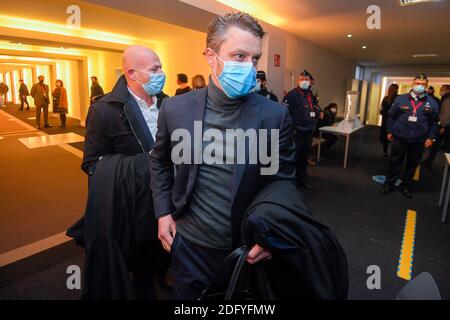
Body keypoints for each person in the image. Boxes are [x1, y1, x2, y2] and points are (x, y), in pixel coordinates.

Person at [150, 12, 297, 300]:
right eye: (239, 56)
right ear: (210, 55)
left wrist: (271, 235)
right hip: (189, 245)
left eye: (254, 59)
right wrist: (162, 212)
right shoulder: (175, 109)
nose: (249, 67)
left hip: (246, 248)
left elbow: (282, 182)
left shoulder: (274, 115)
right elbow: (160, 161)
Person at [72, 45, 170, 299]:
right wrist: (142, 163)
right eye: (155, 69)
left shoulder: (169, 104)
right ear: (132, 74)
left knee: (165, 251)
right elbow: (92, 164)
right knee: (141, 268)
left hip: (168, 197)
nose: (162, 73)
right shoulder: (103, 110)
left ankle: (162, 270)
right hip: (134, 205)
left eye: (161, 67)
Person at [380, 74, 439, 198]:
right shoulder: (400, 99)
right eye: (417, 83)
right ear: (413, 84)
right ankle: (389, 183)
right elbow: (391, 117)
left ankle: (406, 185)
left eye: (423, 84)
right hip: (400, 137)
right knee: (395, 161)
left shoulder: (433, 104)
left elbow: (434, 123)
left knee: (412, 164)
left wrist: (430, 137)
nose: (420, 86)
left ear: (427, 86)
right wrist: (389, 131)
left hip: (419, 140)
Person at [283, 70, 322, 189]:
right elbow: (285, 113)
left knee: (304, 158)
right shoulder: (292, 94)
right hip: (296, 133)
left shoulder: (311, 96)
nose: (303, 82)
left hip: (308, 132)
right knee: (293, 158)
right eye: (301, 79)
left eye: (306, 79)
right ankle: (289, 182)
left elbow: (315, 110)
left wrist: (318, 113)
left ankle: (301, 180)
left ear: (311, 82)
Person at [379, 83, 399, 159]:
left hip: (385, 121)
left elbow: (381, 110)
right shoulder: (398, 99)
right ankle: (393, 153)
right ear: (396, 90)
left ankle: (385, 152)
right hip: (394, 121)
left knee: (385, 137)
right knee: (395, 138)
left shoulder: (385, 98)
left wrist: (384, 114)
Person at [436, 84, 450, 154]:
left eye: (442, 90)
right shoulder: (445, 98)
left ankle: (428, 163)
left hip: (446, 126)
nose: (440, 92)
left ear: (448, 90)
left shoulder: (447, 99)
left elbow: (446, 114)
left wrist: (443, 126)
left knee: (437, 146)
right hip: (446, 125)